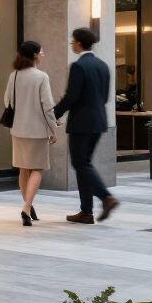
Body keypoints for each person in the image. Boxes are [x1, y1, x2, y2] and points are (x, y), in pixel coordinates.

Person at [53, 27, 119, 224]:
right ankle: (86, 212)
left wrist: (54, 113)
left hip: (82, 123)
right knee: (84, 164)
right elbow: (105, 97)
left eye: (72, 41)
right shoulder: (103, 65)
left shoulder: (78, 66)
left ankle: (106, 197)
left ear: (79, 43)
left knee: (80, 163)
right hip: (99, 121)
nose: (72, 44)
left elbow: (72, 97)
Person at [3, 40, 58, 227]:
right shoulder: (41, 77)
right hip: (37, 130)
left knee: (23, 169)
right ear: (34, 55)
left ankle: (28, 205)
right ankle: (27, 207)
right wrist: (53, 129)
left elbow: (7, 101)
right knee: (37, 168)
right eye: (42, 52)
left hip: (18, 129)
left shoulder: (14, 75)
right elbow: (48, 106)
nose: (43, 55)